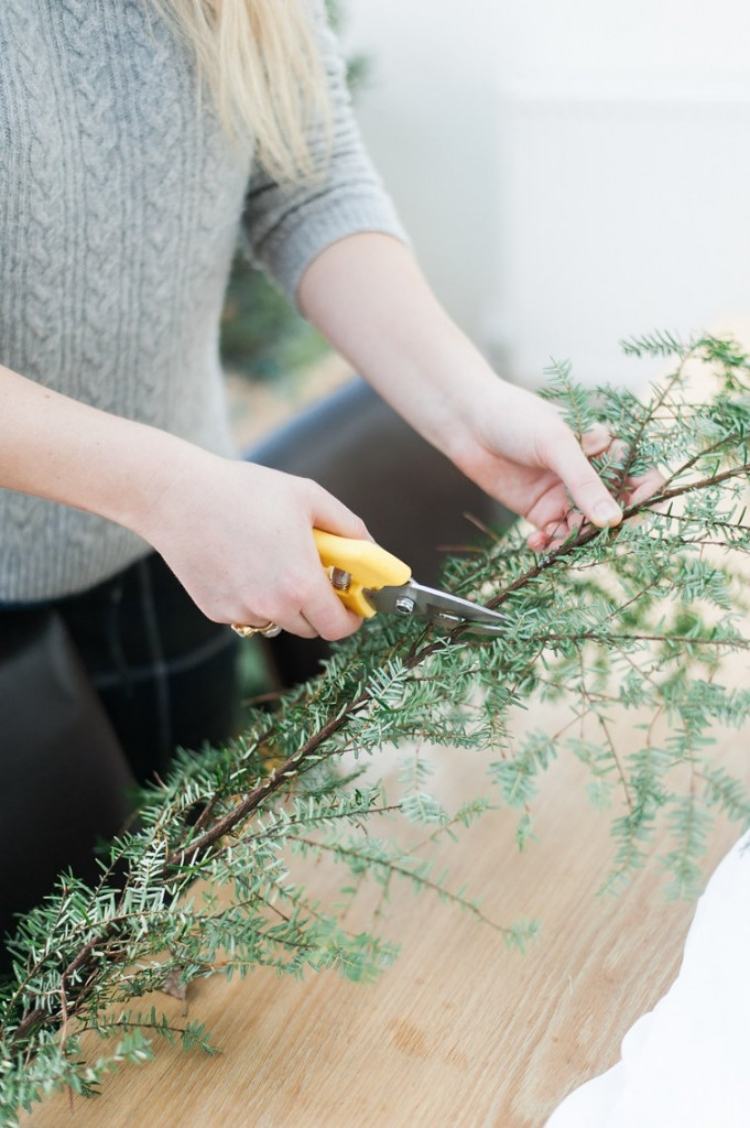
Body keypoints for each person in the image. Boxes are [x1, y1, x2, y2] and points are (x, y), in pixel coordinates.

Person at [0, 1, 658, 939]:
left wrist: (466, 401)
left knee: (172, 933)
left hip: (173, 548)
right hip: (174, 506)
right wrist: (165, 486)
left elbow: (303, 186)